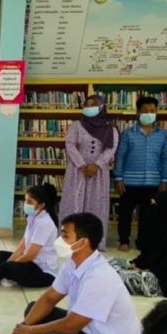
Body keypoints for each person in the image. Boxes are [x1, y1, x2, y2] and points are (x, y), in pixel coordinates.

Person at [0, 212, 142, 334]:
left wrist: (30, 331)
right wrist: (22, 331)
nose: (59, 241)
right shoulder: (72, 264)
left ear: (83, 243)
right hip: (87, 330)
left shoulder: (99, 277)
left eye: (65, 236)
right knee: (33, 310)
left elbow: (70, 326)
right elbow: (49, 298)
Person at [113, 96, 167, 252]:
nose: (149, 113)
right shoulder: (127, 134)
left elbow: (166, 158)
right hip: (128, 183)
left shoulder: (163, 135)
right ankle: (124, 240)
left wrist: (165, 179)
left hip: (153, 183)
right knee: (125, 213)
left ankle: (143, 241)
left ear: (156, 112)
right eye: (145, 111)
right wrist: (118, 178)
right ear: (138, 113)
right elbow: (120, 156)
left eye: (152, 111)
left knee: (147, 215)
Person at [62, 93, 118, 239]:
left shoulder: (110, 129)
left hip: (98, 172)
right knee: (74, 202)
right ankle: (70, 238)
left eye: (93, 104)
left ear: (101, 107)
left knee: (96, 205)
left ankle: (93, 240)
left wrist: (96, 165)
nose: (89, 107)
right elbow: (70, 145)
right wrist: (82, 165)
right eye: (86, 104)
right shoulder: (76, 125)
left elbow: (111, 148)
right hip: (77, 170)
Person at [0, 183, 59, 288]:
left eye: (30, 202)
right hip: (30, 263)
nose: (26, 204)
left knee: (8, 267)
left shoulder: (44, 223)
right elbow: (22, 246)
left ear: (41, 205)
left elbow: (30, 255)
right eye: (25, 200)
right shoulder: (32, 218)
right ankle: (7, 275)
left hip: (42, 272)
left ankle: (8, 275)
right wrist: (9, 262)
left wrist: (11, 265)